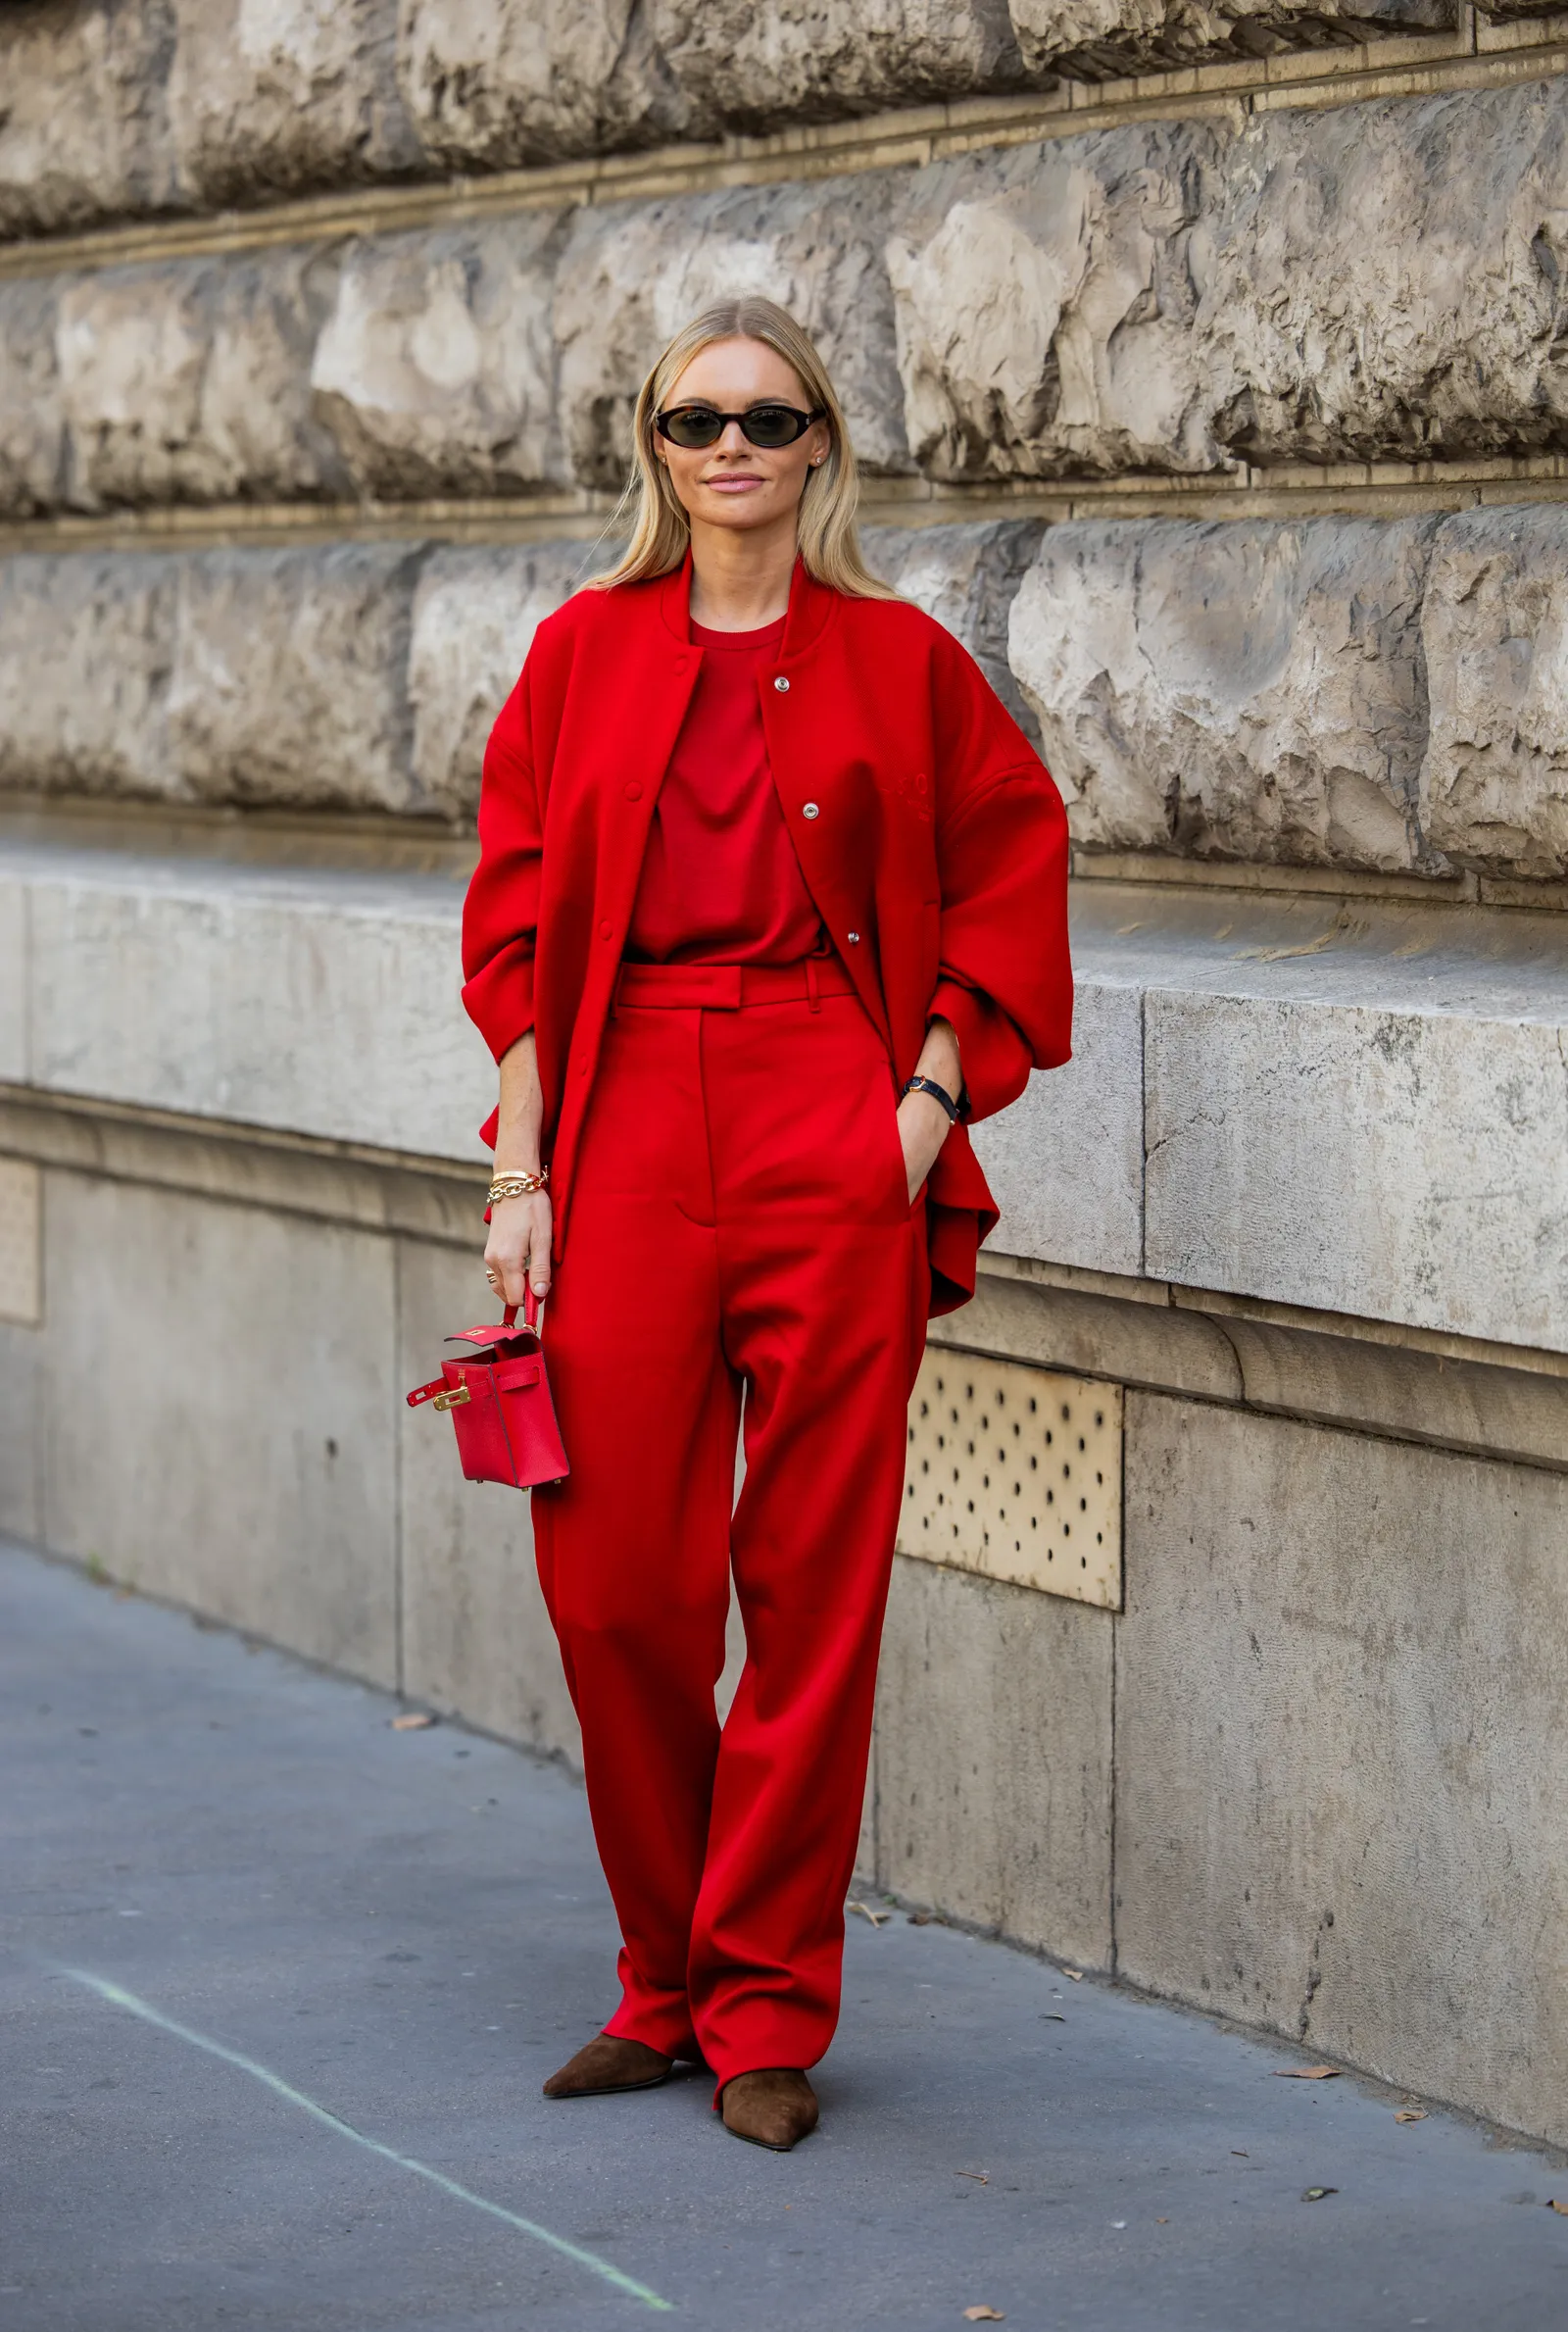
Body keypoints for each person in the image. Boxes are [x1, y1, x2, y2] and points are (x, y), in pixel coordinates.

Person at [462, 296, 1072, 2153]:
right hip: (629, 1109)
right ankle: (664, 1976)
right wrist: (520, 1169)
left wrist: (921, 1111)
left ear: (821, 447)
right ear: (654, 447)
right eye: (695, 417)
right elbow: (513, 930)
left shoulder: (901, 659)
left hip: (832, 1105)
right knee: (617, 1578)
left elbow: (1010, 873)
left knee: (814, 1583)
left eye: (768, 416)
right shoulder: (581, 651)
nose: (731, 445)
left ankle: (765, 2005)